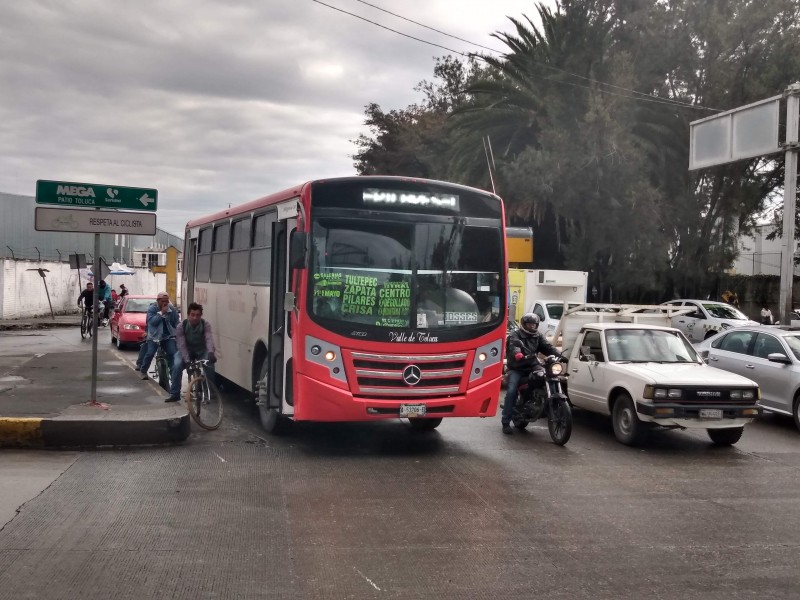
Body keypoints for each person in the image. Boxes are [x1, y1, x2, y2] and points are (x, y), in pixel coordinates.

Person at [502, 312, 561, 435]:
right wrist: (517, 354)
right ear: (524, 324)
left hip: (533, 364)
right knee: (512, 391)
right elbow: (514, 346)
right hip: (517, 367)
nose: (532, 327)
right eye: (529, 324)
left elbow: (547, 347)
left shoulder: (538, 336)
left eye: (534, 324)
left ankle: (538, 399)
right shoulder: (515, 335)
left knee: (545, 376)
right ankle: (506, 421)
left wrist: (559, 355)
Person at [165, 302, 217, 402]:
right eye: (192, 315)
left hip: (201, 350)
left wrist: (210, 352)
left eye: (197, 315)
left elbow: (209, 338)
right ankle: (174, 393)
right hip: (186, 351)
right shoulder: (181, 326)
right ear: (188, 315)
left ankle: (209, 391)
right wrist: (187, 360)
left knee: (209, 364)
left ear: (201, 316)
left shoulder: (205, 325)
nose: (195, 318)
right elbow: (181, 344)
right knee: (176, 365)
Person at [138, 292, 179, 382]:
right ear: (158, 301)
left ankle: (173, 374)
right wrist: (161, 313)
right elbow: (152, 322)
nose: (165, 303)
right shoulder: (152, 309)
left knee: (173, 353)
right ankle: (143, 371)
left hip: (168, 336)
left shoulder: (171, 308)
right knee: (150, 353)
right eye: (163, 301)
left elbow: (176, 322)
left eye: (167, 301)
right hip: (154, 336)